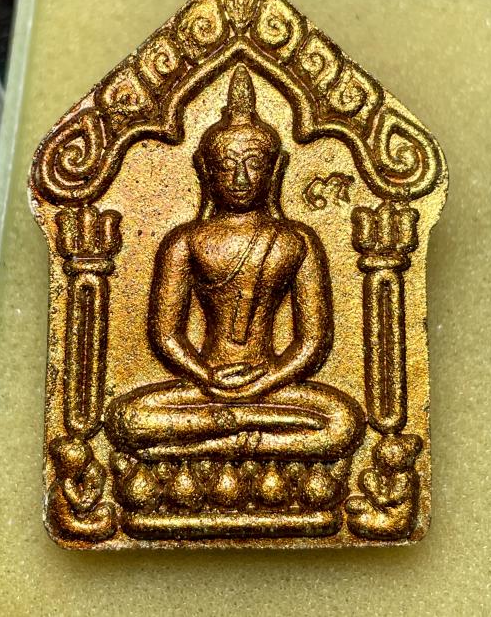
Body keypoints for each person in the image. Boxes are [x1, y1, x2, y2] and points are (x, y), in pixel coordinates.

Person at [105, 65, 364, 462]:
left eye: (254, 163)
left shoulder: (296, 241)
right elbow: (166, 334)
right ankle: (249, 436)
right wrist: (206, 375)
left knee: (345, 422)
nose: (240, 178)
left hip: (272, 383)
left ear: (275, 169)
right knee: (127, 418)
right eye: (227, 164)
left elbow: (313, 341)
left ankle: (209, 441)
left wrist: (267, 380)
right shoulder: (185, 241)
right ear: (205, 169)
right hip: (205, 384)